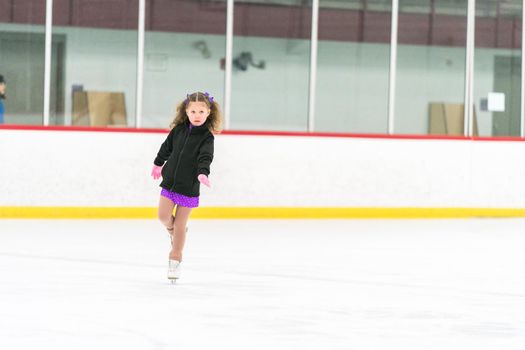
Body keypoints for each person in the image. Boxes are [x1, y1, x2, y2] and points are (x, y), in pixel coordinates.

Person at [151, 91, 222, 283]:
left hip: (189, 186)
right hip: (170, 182)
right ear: (186, 111)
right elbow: (167, 147)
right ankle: (175, 233)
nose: (197, 115)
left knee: (181, 224)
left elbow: (205, 157)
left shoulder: (207, 138)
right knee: (163, 216)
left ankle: (175, 260)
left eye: (201, 111)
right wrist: (158, 163)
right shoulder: (179, 130)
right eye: (193, 111)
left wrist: (203, 173)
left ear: (209, 112)